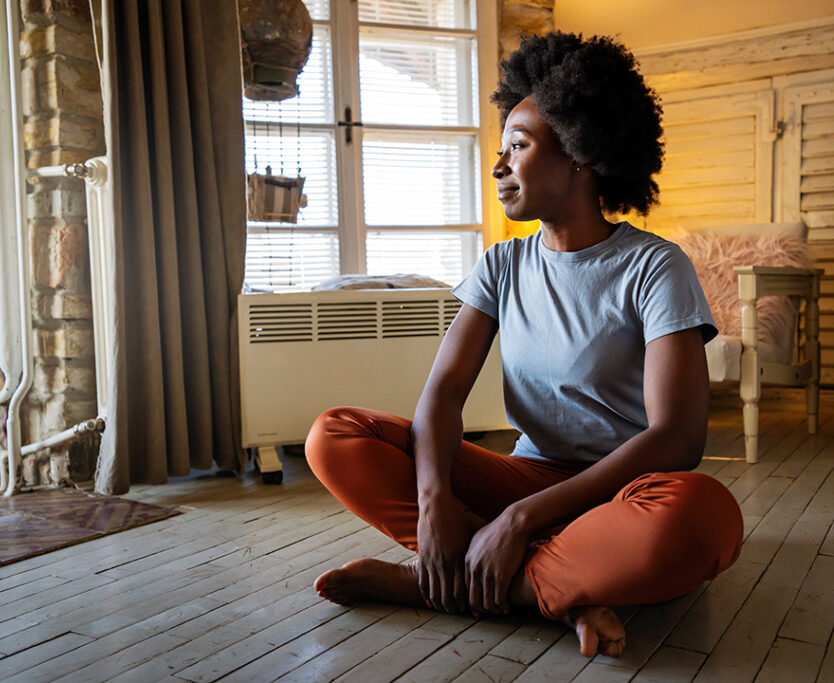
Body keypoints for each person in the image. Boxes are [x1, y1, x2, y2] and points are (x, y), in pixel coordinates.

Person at [304, 31, 743, 659]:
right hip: (526, 479)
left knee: (702, 515)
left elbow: (678, 438)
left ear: (578, 155)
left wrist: (519, 522)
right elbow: (442, 398)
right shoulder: (501, 265)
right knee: (336, 434)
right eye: (501, 146)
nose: (498, 164)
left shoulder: (654, 266)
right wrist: (434, 506)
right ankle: (556, 587)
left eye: (518, 144)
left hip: (620, 496)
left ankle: (450, 584)